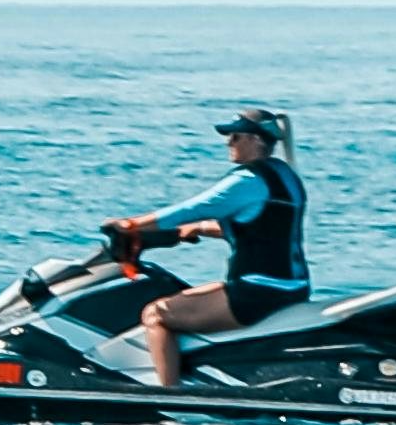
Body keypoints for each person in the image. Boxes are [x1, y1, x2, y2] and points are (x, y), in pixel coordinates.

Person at [103, 107, 310, 389]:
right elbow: (265, 228)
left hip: (257, 294)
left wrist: (131, 225)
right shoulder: (286, 177)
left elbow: (194, 208)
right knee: (182, 296)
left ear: (257, 141)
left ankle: (169, 396)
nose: (229, 142)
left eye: (236, 136)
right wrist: (199, 229)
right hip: (290, 288)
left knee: (156, 314)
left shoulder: (247, 181)